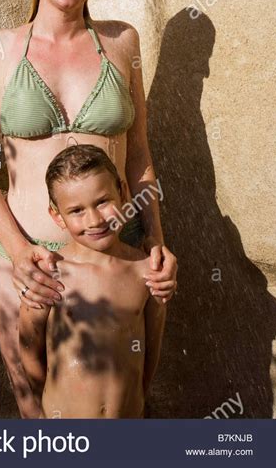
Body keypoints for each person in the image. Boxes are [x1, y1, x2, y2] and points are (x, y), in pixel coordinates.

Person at [0, 0, 177, 418]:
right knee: (38, 420)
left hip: (113, 262)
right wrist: (18, 252)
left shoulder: (123, 43)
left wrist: (155, 243)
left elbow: (140, 153)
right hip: (30, 267)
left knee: (124, 412)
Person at [19, 143, 166, 418]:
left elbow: (151, 353)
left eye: (102, 202)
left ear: (123, 193)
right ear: (57, 216)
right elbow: (29, 350)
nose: (95, 220)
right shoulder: (50, 275)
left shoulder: (146, 270)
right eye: (76, 210)